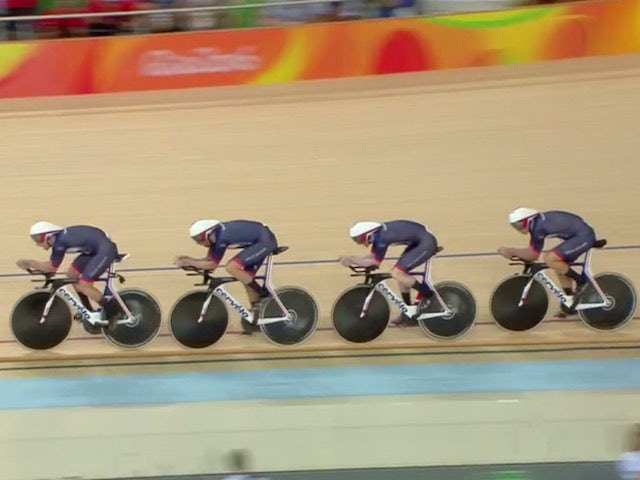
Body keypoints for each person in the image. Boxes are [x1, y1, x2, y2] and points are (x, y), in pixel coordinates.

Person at [174, 219, 278, 333]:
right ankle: (258, 311)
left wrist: (190, 262)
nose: (198, 243)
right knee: (244, 276)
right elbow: (209, 261)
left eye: (199, 239)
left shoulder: (222, 238)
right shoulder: (215, 237)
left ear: (208, 233)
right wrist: (190, 260)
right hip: (258, 241)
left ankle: (264, 295)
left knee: (232, 267)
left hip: (265, 241)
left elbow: (212, 265)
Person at [16, 221, 120, 326]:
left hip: (105, 250)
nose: (37, 243)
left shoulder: (60, 243)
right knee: (71, 275)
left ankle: (114, 312)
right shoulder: (58, 240)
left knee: (84, 285)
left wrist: (30, 263)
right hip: (94, 249)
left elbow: (51, 268)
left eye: (38, 239)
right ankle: (88, 311)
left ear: (48, 236)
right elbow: (51, 267)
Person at [498, 207, 598, 316]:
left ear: (528, 220)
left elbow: (533, 255)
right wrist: (514, 252)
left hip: (584, 236)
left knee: (550, 258)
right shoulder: (536, 223)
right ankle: (570, 300)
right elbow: (533, 252)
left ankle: (581, 282)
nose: (519, 229)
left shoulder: (538, 227)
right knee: (559, 265)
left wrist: (510, 251)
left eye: (519, 225)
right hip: (578, 235)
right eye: (515, 226)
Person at [338, 220, 438, 327]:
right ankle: (409, 312)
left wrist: (352, 260)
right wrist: (352, 258)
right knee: (401, 274)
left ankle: (429, 296)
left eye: (358, 239)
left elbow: (375, 262)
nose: (359, 242)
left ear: (366, 235)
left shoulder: (382, 238)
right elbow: (372, 256)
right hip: (419, 242)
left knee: (397, 273)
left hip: (426, 243)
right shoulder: (377, 234)